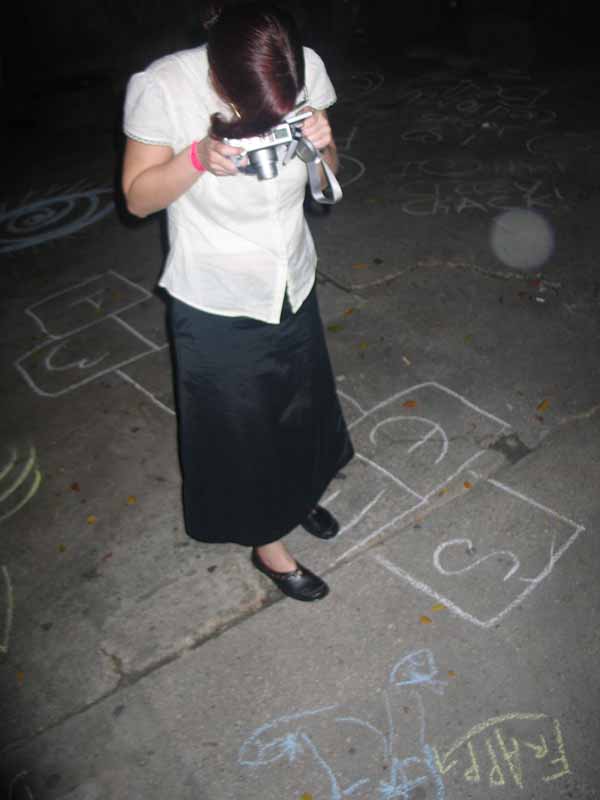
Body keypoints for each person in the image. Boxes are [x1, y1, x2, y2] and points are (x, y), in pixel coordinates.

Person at [121, 2, 353, 602]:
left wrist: (323, 146)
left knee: (299, 409)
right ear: (219, 73)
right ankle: (266, 543)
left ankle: (296, 498)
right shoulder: (163, 85)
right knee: (244, 434)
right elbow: (137, 199)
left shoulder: (305, 67)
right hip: (216, 298)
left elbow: (328, 181)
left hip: (291, 278)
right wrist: (198, 158)